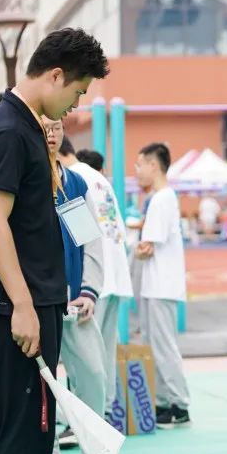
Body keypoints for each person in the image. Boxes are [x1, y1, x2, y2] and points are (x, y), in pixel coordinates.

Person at [0, 27, 108, 454]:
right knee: (21, 429)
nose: (74, 106)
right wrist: (23, 307)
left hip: (42, 299)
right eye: (76, 93)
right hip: (18, 306)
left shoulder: (31, 127)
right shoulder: (9, 128)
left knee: (38, 429)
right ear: (55, 75)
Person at [42, 116, 118, 454]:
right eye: (45, 128)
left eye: (57, 128)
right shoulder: (22, 181)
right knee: (43, 381)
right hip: (38, 302)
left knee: (93, 371)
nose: (52, 134)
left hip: (74, 303)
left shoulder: (72, 183)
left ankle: (95, 449)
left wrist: (88, 291)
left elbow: (89, 240)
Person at [59, 137, 133, 423]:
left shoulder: (74, 181)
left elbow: (87, 234)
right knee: (100, 357)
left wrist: (88, 283)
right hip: (110, 274)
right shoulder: (95, 178)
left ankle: (89, 422)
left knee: (87, 361)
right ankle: (104, 414)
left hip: (88, 281)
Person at [135, 142, 191, 428]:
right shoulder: (162, 198)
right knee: (154, 344)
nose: (137, 171)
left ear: (153, 165)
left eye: (140, 165)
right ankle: (164, 403)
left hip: (160, 285)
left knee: (163, 345)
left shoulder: (161, 198)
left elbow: (147, 246)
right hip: (156, 285)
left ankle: (178, 403)